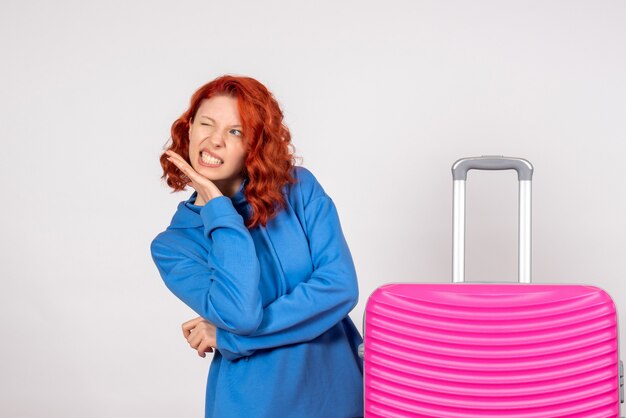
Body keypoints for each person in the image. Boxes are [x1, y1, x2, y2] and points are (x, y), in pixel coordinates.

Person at [150, 75, 364, 418]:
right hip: (254, 403)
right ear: (188, 129)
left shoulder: (298, 189)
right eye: (206, 124)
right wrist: (217, 208)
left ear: (254, 144)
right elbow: (240, 314)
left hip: (336, 395)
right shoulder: (174, 245)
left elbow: (340, 287)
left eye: (236, 132)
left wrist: (232, 339)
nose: (215, 140)